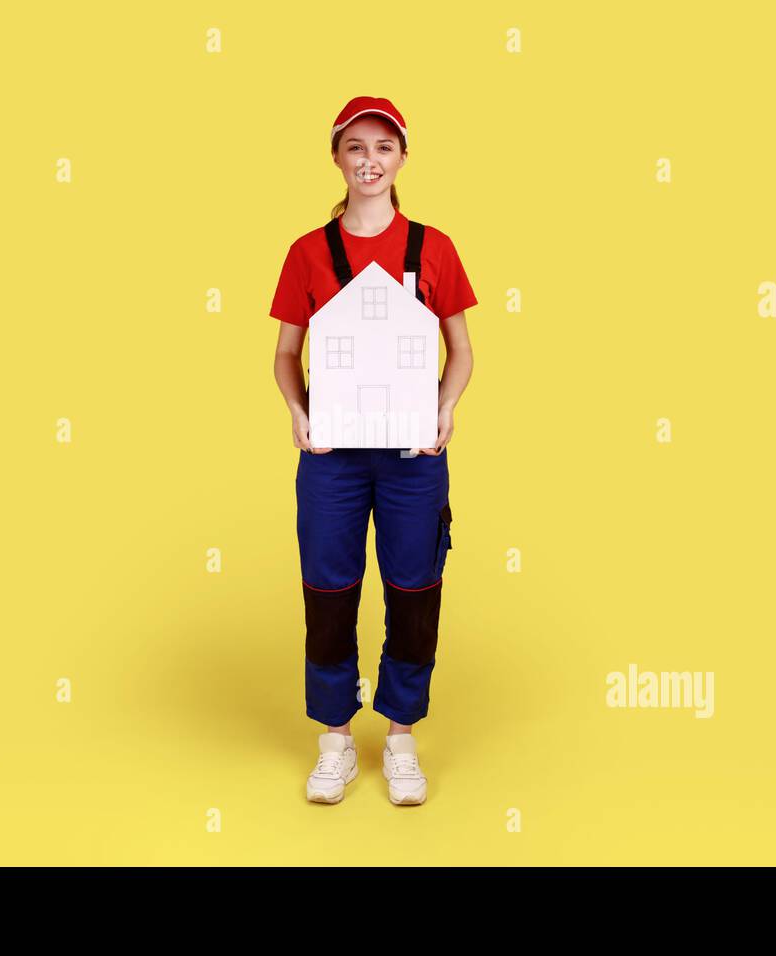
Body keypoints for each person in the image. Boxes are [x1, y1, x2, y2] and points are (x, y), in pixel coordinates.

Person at [269, 96, 477, 805]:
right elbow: (286, 353)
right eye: (355, 147)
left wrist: (445, 409)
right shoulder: (308, 252)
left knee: (414, 586)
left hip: (413, 455)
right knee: (328, 588)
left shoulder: (434, 248)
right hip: (332, 456)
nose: (368, 160)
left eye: (383, 147)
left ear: (402, 158)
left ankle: (399, 736)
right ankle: (333, 739)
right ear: (336, 156)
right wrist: (297, 412)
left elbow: (463, 349)